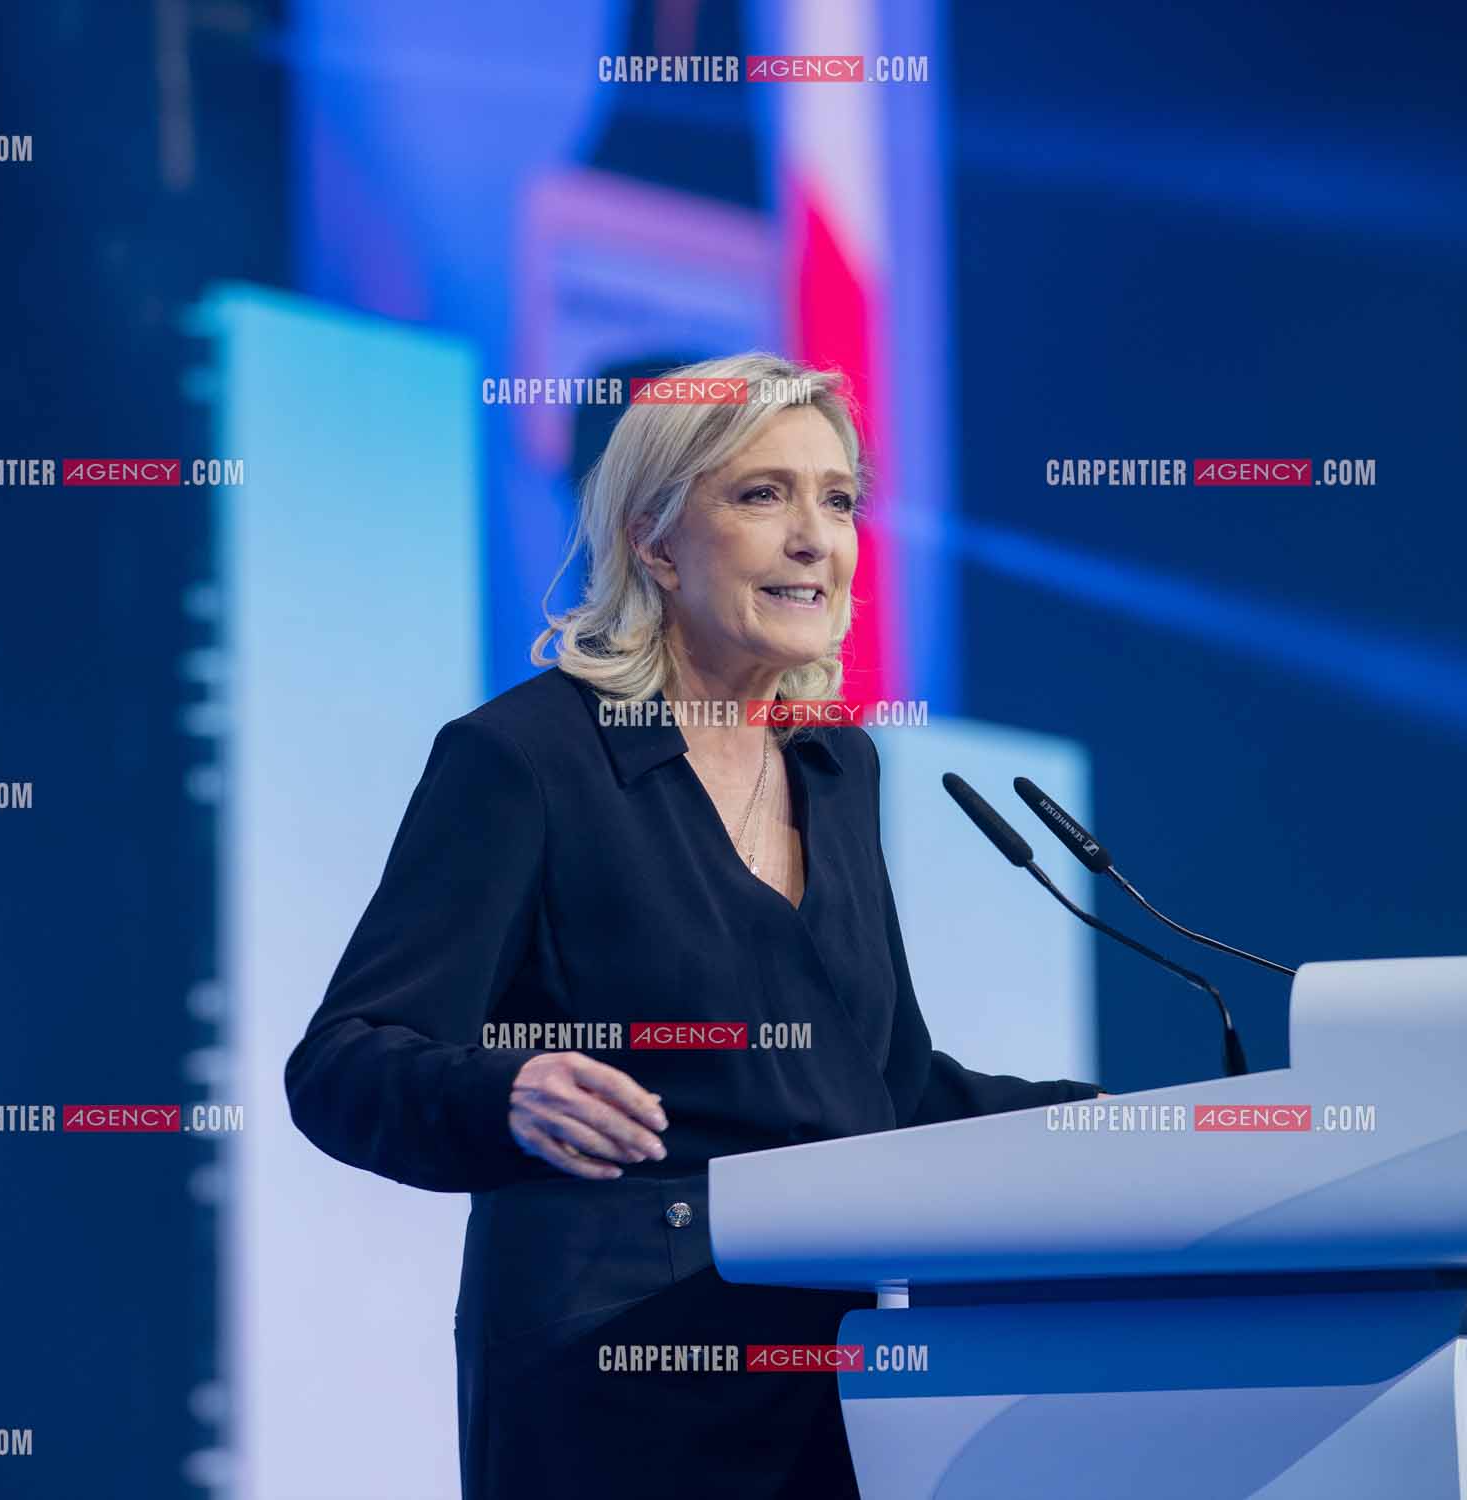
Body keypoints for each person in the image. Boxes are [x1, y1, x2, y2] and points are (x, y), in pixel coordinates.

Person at [285, 351, 1099, 1498]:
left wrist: (1108, 1128)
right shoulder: (526, 761)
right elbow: (342, 1063)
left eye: (839, 498)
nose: (815, 536)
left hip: (835, 1376)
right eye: (762, 495)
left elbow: (888, 1089)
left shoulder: (835, 769)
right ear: (655, 542)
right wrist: (501, 1094)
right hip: (615, 1383)